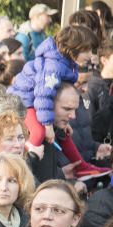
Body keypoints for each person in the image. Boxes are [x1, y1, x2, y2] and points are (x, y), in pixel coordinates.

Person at [9, 25, 104, 178]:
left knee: (63, 132)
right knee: (39, 132)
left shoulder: (64, 62)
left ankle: (81, 166)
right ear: (74, 47)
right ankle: (22, 165)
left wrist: (61, 124)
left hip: (35, 101)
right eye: (87, 50)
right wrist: (47, 125)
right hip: (23, 101)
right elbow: (43, 96)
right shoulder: (54, 65)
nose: (90, 55)